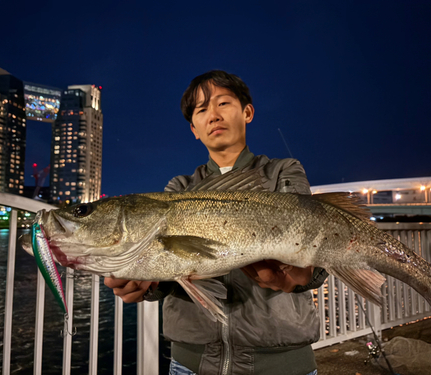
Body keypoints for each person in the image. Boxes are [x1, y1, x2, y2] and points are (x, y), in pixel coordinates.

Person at [104, 70, 328, 375]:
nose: (213, 115)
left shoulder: (282, 172)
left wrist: (303, 273)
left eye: (223, 103)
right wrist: (144, 285)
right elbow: (168, 274)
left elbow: (312, 240)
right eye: (201, 110)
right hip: (192, 364)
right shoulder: (179, 188)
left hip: (282, 364)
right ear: (194, 129)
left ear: (247, 112)